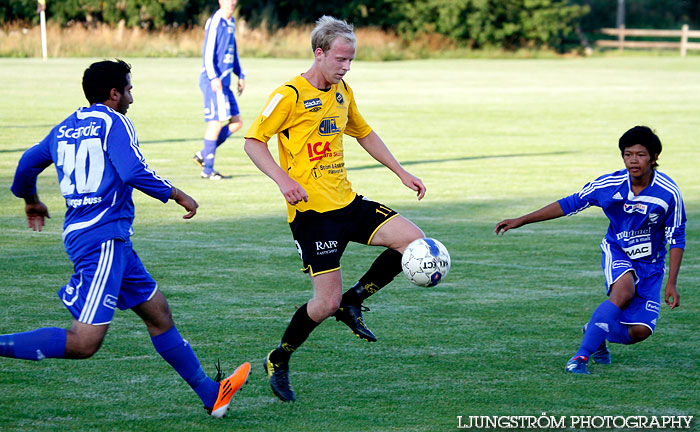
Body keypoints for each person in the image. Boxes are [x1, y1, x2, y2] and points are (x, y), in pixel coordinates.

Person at [4, 59, 250, 417]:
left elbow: (26, 164)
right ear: (114, 93)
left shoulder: (64, 127)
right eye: (129, 89)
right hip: (102, 241)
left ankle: (211, 394)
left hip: (106, 239)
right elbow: (133, 170)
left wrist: (32, 200)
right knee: (84, 342)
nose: (132, 97)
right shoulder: (115, 122)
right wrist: (178, 194)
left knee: (158, 314)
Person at [244, 16, 427, 402]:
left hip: (347, 203)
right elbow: (253, 143)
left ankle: (355, 299)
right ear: (320, 52)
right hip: (312, 215)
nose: (346, 67)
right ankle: (279, 357)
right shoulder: (288, 95)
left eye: (351, 61)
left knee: (414, 242)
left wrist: (400, 172)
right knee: (324, 303)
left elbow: (363, 132)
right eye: (341, 59)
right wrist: (284, 180)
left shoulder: (343, 91)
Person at [495, 126, 685, 375]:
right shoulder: (610, 184)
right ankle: (580, 358)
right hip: (618, 250)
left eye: (640, 154)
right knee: (623, 292)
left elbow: (676, 237)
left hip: (651, 265)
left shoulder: (668, 193)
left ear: (654, 157)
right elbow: (570, 203)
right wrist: (522, 219)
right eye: (628, 154)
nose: (633, 160)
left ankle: (596, 329)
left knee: (641, 331)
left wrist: (672, 283)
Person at [193, 0, 245, 180]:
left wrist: (240, 74)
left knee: (237, 122)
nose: (232, 2)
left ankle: (203, 153)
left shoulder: (231, 21)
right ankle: (207, 170)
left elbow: (233, 50)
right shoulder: (216, 21)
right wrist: (213, 77)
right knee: (215, 122)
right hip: (213, 80)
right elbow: (207, 53)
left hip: (225, 81)